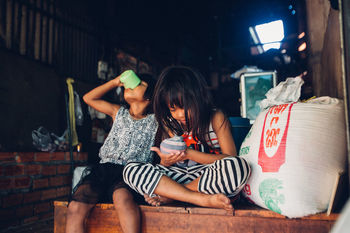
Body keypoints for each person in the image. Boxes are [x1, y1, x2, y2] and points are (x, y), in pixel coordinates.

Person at [123, 66, 251, 210]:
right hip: (177, 176)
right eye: (173, 109)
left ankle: (172, 195)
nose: (179, 114)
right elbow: (169, 165)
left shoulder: (216, 118)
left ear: (198, 98)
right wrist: (165, 162)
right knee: (131, 169)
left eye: (184, 107)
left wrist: (189, 154)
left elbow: (229, 157)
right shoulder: (169, 122)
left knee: (238, 166)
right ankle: (199, 199)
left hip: (206, 176)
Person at [66, 72, 158, 233]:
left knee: (122, 199)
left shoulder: (156, 120)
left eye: (140, 84)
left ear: (151, 95)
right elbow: (88, 98)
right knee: (75, 206)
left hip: (132, 173)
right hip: (104, 170)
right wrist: (114, 82)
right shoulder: (118, 112)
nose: (132, 86)